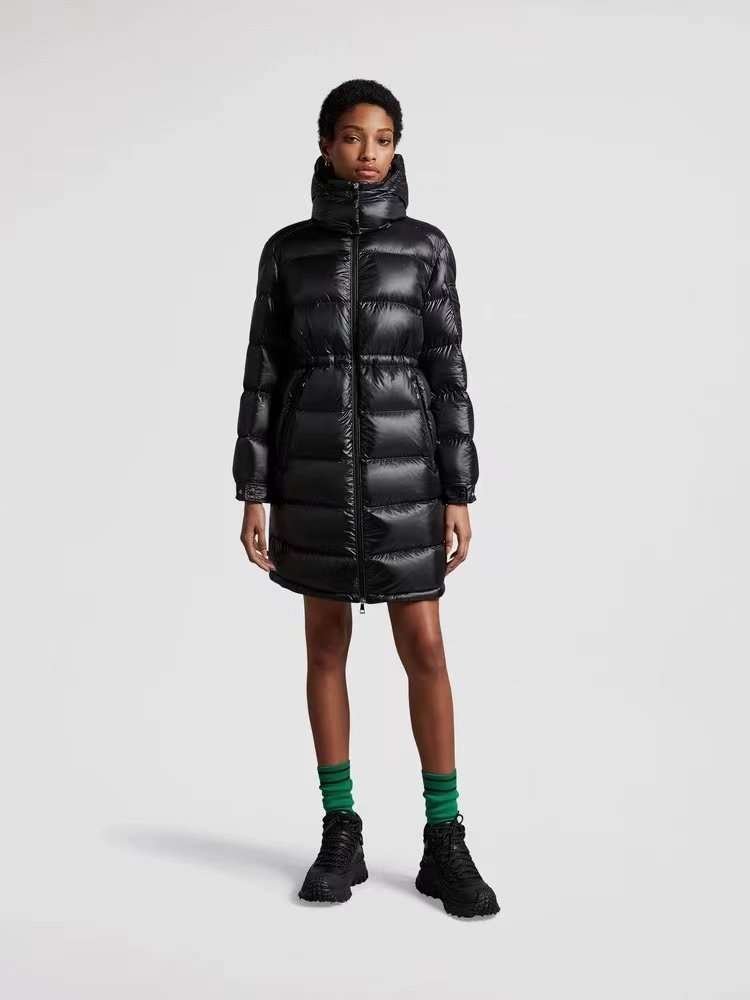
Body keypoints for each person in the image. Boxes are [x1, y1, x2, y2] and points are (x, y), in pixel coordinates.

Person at [232, 79, 499, 918]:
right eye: (352, 137)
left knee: (426, 648)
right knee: (324, 647)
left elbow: (447, 371)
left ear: (397, 146)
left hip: (407, 476)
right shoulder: (287, 252)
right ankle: (339, 830)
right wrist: (253, 488)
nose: (368, 153)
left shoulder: (426, 248)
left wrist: (459, 488)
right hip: (311, 477)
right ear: (325, 144)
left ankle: (445, 840)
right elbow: (264, 372)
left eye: (382, 138)